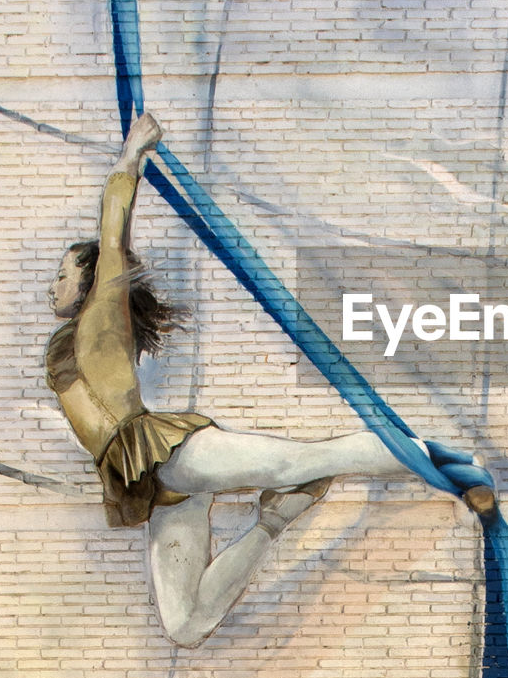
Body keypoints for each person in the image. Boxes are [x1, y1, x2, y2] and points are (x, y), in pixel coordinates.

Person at [45, 113, 423, 647]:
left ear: (90, 284)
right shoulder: (69, 341)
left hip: (162, 450)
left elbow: (113, 236)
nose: (51, 288)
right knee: (185, 625)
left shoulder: (100, 318)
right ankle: (276, 517)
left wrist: (132, 156)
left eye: (62, 275)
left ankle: (440, 460)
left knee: (304, 460)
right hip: (149, 481)